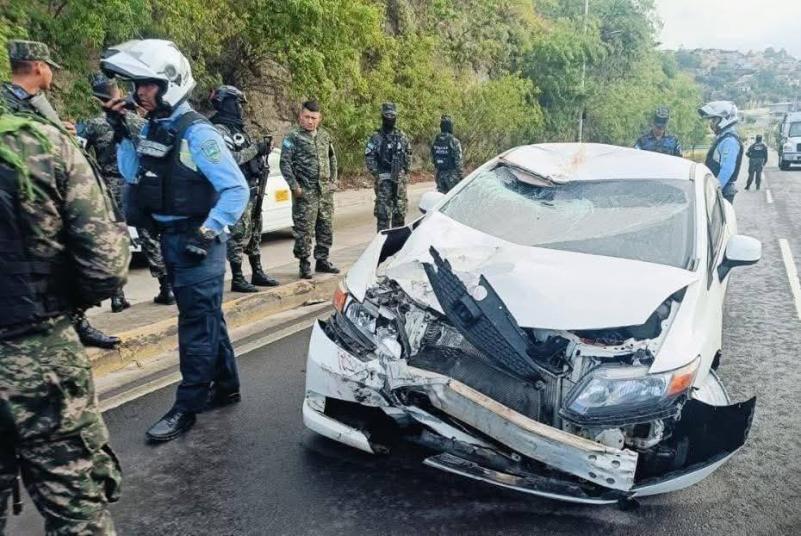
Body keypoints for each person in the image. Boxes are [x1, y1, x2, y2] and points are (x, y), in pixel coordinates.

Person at [102, 39, 249, 442]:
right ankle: (227, 385)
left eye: (148, 84)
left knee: (195, 326)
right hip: (171, 240)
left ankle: (187, 405)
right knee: (207, 317)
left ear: (171, 84)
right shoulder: (155, 127)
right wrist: (122, 133)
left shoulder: (198, 134)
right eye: (137, 86)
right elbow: (133, 172)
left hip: (197, 243)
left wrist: (208, 231)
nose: (139, 93)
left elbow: (237, 189)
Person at [0, 100, 128, 534]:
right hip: (38, 357)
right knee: (78, 516)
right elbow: (106, 265)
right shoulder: (41, 144)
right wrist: (61, 307)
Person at [2, 39, 120, 348]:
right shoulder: (8, 103)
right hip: (25, 197)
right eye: (50, 69)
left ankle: (76, 321)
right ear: (39, 67)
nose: (52, 75)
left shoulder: (36, 102)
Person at [79, 72, 175, 310]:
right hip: (136, 183)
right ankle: (166, 286)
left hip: (108, 186)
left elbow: (79, 152)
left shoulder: (92, 125)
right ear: (118, 93)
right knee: (148, 235)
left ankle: (117, 296)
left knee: (114, 239)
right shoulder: (137, 122)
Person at [209, 85, 279, 291]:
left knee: (255, 231)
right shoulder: (218, 130)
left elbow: (249, 155)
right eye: (238, 104)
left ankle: (257, 271)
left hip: (252, 187)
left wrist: (263, 150)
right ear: (227, 104)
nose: (241, 109)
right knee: (238, 234)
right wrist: (255, 148)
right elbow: (230, 159)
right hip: (235, 191)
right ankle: (238, 278)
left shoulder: (238, 129)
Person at [279, 100, 340, 279]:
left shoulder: (324, 136)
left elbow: (332, 159)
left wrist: (333, 181)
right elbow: (285, 163)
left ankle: (322, 260)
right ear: (300, 117)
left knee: (325, 227)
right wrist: (294, 186)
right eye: (306, 117)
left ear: (319, 119)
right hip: (305, 192)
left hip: (324, 192)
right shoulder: (293, 137)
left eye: (313, 118)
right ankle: (304, 264)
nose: (310, 121)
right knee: (304, 230)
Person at [365, 102, 412, 232]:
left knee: (399, 214)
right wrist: (377, 173)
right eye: (387, 115)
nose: (390, 118)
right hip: (383, 182)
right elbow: (369, 156)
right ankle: (382, 248)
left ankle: (397, 247)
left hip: (399, 181)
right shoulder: (376, 137)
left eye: (392, 115)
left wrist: (405, 173)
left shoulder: (401, 136)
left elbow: (408, 154)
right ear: (382, 116)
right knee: (383, 216)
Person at [698, 101, 744, 203]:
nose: (711, 124)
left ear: (725, 119)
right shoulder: (723, 138)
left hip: (722, 191)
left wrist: (713, 191)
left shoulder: (729, 141)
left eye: (714, 120)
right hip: (719, 189)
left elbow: (727, 170)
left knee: (718, 219)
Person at [430, 114, 463, 193]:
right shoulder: (454, 141)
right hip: (452, 175)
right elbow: (458, 161)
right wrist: (461, 176)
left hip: (440, 175)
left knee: (442, 199)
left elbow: (432, 158)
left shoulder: (435, 141)